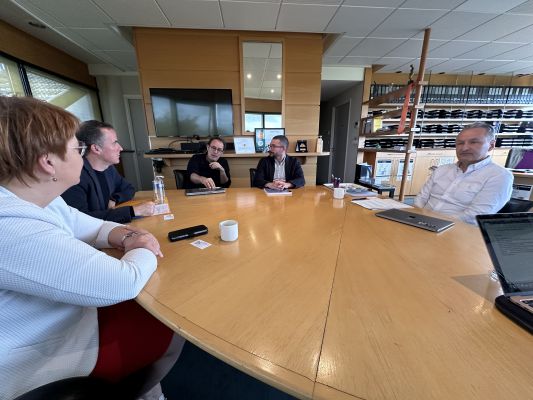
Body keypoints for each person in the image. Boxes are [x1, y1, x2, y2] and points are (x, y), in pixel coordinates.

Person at [0, 96, 184, 400]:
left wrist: (127, 238)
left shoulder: (39, 199)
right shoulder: (10, 226)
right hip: (40, 355)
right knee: (165, 320)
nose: (83, 156)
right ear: (47, 163)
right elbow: (124, 280)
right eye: (77, 149)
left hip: (66, 318)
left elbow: (94, 227)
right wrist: (145, 244)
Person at [414, 122, 513, 225]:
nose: (464, 148)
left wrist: (432, 223)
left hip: (457, 231)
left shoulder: (499, 176)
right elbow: (421, 199)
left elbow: (475, 215)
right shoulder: (442, 170)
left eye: (473, 142)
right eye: (460, 143)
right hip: (422, 222)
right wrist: (415, 217)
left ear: (491, 145)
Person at [61, 120, 155, 223]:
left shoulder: (108, 168)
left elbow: (129, 188)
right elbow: (82, 221)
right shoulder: (75, 177)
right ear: (96, 149)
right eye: (114, 143)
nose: (120, 148)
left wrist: (115, 199)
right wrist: (133, 211)